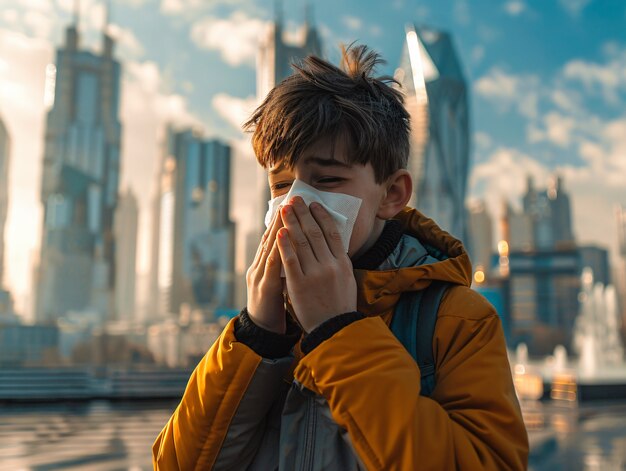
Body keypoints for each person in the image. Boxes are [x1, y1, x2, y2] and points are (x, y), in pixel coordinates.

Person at [152, 44, 528, 470]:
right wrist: (256, 333)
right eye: (280, 185)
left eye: (326, 179)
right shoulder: (270, 320)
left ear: (391, 195)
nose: (294, 203)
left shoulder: (458, 321)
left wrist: (337, 332)